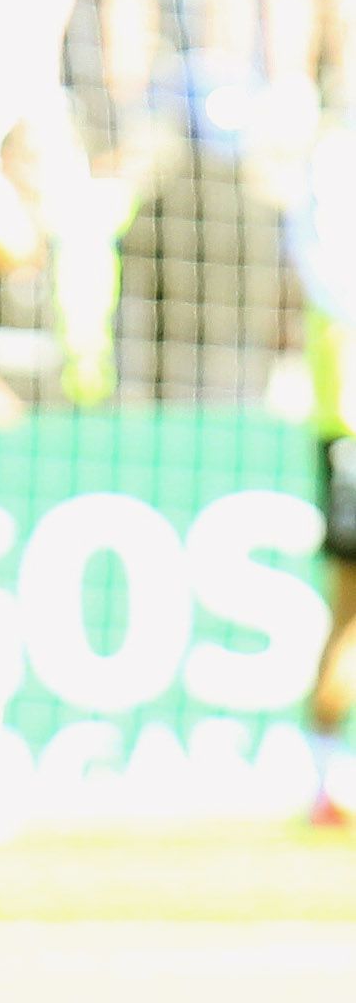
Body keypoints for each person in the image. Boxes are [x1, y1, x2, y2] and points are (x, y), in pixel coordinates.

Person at [286, 154, 356, 825]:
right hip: (351, 437)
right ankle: (325, 781)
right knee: (350, 615)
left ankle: (326, 779)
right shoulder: (330, 237)